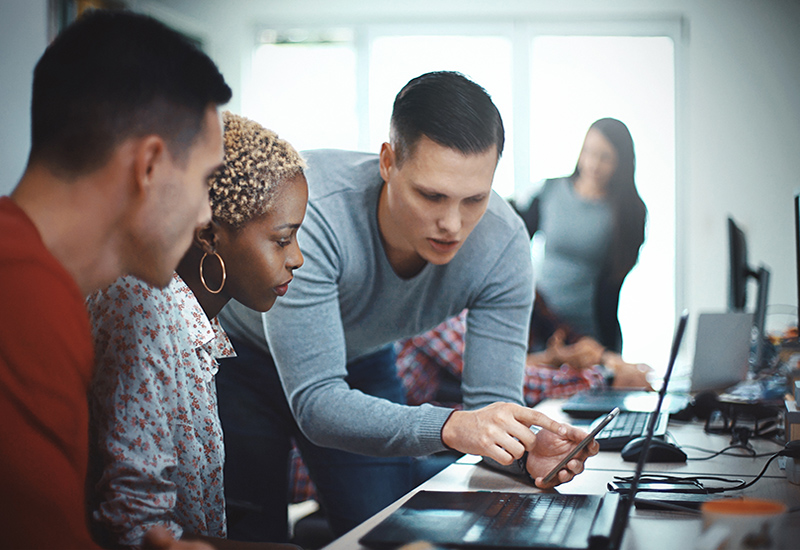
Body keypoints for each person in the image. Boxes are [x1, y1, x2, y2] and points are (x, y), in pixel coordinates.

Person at [216, 71, 597, 541]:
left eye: (474, 199)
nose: (452, 224)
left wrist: (523, 454)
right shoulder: (315, 214)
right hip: (241, 358)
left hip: (361, 356)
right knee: (252, 534)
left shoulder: (502, 244)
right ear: (388, 162)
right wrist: (451, 426)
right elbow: (316, 403)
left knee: (388, 528)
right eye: (431, 195)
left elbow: (493, 406)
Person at [0, 9, 231, 549]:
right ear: (149, 165)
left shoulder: (40, 281)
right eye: (204, 181)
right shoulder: (26, 296)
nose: (204, 216)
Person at [87, 113, 307, 549]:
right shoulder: (145, 308)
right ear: (209, 235)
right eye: (282, 239)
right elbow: (135, 526)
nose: (297, 258)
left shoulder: (191, 318)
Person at [517, 117, 648, 357]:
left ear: (621, 163)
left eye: (605, 157)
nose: (593, 164)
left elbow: (615, 280)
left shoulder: (627, 212)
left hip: (591, 333)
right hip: (541, 326)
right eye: (588, 152)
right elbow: (515, 233)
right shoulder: (551, 191)